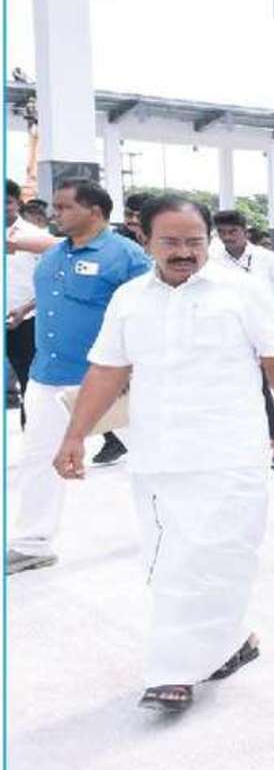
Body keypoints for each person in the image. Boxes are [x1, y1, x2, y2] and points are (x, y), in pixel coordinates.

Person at [51, 195, 274, 712]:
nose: (184, 252)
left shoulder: (242, 292)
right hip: (158, 456)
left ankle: (200, 656)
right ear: (144, 240)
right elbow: (107, 370)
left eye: (195, 241)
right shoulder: (129, 299)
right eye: (170, 241)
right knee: (171, 564)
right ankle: (198, 656)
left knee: (224, 558)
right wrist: (74, 435)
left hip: (232, 455)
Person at [7, 180, 149, 574]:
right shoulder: (55, 253)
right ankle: (33, 543)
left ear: (95, 211)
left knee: (152, 455)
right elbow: (58, 293)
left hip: (107, 379)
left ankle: (185, 526)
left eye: (65, 207)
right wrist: (25, 308)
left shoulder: (127, 256)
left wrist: (134, 367)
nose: (55, 214)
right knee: (38, 458)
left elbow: (149, 315)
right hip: (47, 375)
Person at [214, 209, 274, 444]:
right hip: (227, 332)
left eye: (233, 231)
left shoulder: (267, 258)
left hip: (264, 332)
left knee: (264, 383)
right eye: (222, 232)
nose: (227, 237)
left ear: (245, 231)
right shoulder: (212, 260)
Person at [7, 180, 60, 421]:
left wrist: (26, 308)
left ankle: (33, 433)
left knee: (30, 383)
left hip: (25, 320)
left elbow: (52, 281)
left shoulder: (36, 237)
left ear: (18, 203)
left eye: (7, 202)